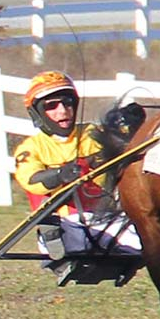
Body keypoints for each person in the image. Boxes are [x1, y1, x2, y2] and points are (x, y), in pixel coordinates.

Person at [13, 71, 105, 270]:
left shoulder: (93, 134)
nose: (63, 111)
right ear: (37, 113)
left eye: (67, 103)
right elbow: (31, 181)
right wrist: (59, 175)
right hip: (66, 221)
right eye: (52, 106)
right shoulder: (31, 148)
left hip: (109, 215)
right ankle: (51, 237)